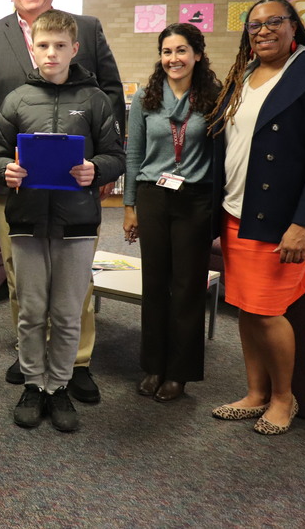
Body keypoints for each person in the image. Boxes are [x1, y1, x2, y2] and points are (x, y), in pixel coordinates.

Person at [0, 0, 124, 401]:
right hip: (17, 182)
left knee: (75, 281)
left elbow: (109, 94)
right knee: (20, 273)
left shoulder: (84, 28)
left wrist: (102, 168)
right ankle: (29, 357)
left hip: (77, 183)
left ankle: (77, 361)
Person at [207, 0, 305, 435]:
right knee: (246, 308)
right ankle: (254, 394)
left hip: (283, 219)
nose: (263, 31)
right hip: (237, 212)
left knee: (266, 310)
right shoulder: (243, 75)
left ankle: (284, 399)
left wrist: (303, 223)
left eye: (274, 23)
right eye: (254, 25)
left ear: (294, 27)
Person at [0, 10, 124, 432]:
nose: (52, 53)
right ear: (33, 48)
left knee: (66, 312)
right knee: (31, 310)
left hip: (78, 223)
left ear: (74, 50)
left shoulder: (95, 99)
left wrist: (95, 170)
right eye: (44, 45)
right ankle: (33, 383)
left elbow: (116, 155)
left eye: (60, 46)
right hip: (27, 219)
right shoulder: (16, 100)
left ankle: (59, 387)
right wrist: (2, 171)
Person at [122, 23, 222, 402]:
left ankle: (179, 372)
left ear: (197, 54)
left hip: (196, 199)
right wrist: (129, 206)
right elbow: (134, 155)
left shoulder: (213, 99)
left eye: (181, 51)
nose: (173, 59)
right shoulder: (147, 99)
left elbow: (221, 156)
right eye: (166, 51)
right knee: (155, 284)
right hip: (153, 196)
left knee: (187, 288)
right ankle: (153, 365)